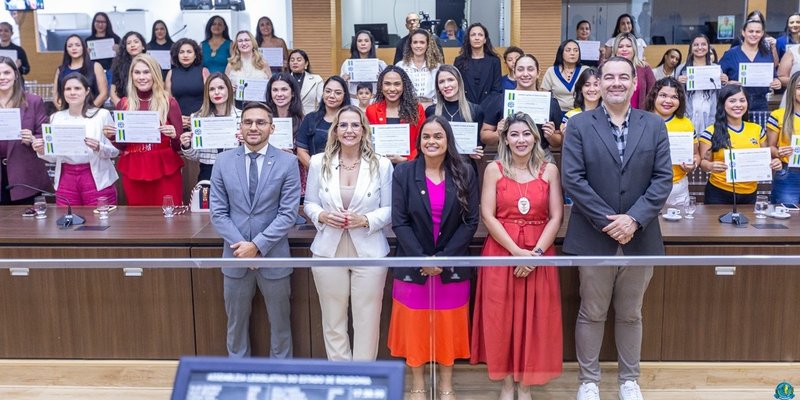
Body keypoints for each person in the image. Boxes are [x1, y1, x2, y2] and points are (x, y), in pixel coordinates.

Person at [561, 56, 672, 400]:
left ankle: (629, 379)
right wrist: (612, 222)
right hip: (594, 234)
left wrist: (634, 219)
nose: (616, 83)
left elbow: (662, 179)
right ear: (598, 82)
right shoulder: (580, 125)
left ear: (635, 83)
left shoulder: (654, 125)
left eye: (623, 77)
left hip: (641, 235)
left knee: (630, 313)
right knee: (591, 311)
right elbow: (573, 180)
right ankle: (588, 381)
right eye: (608, 77)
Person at [471, 112, 564, 400]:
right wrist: (515, 252)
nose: (520, 139)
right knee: (503, 319)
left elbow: (556, 216)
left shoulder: (549, 170)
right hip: (502, 252)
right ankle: (507, 383)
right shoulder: (494, 169)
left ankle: (525, 385)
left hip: (539, 251)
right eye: (514, 134)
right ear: (505, 138)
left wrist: (534, 255)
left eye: (526, 134)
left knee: (534, 320)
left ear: (535, 138)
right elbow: (487, 215)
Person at [389, 116, 479, 400]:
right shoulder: (404, 173)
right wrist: (422, 259)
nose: (431, 141)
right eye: (426, 136)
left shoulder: (464, 170)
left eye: (438, 136)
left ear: (447, 140)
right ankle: (417, 384)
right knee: (415, 327)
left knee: (448, 326)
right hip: (413, 265)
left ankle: (446, 384)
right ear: (419, 141)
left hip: (450, 265)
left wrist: (443, 258)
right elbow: (399, 222)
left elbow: (471, 221)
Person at [209, 101, 301, 359]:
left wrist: (257, 246)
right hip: (236, 257)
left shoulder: (288, 162)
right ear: (240, 127)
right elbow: (218, 212)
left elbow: (288, 213)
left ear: (272, 128)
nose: (254, 127)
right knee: (236, 326)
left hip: (273, 257)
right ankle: (239, 373)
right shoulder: (223, 161)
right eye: (248, 122)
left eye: (260, 122)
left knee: (280, 325)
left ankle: (280, 376)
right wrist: (243, 248)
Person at [303, 105, 393, 361]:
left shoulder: (381, 164)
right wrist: (321, 216)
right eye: (343, 125)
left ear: (364, 130)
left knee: (367, 321)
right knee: (333, 320)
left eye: (355, 125)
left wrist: (365, 219)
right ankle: (342, 379)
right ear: (335, 130)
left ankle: (364, 379)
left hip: (369, 250)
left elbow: (390, 209)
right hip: (327, 250)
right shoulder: (319, 162)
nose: (349, 130)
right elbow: (309, 203)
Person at [103, 54, 184, 206]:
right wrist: (113, 137)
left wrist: (174, 136)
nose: (142, 77)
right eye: (137, 72)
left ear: (155, 74)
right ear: (131, 76)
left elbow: (179, 146)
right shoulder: (124, 104)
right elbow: (123, 146)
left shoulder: (169, 103)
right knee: (138, 221)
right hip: (134, 169)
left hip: (164, 168)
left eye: (146, 72)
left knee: (170, 219)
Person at [33, 73, 118, 206]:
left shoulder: (102, 115)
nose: (72, 92)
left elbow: (114, 152)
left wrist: (99, 147)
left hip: (96, 178)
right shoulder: (56, 118)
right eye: (68, 89)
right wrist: (42, 150)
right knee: (67, 222)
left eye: (77, 88)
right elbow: (55, 157)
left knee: (100, 222)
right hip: (66, 179)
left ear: (87, 91)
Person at [699, 85, 781, 205]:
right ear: (723, 104)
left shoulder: (757, 130)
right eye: (732, 101)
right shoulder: (711, 131)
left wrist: (775, 162)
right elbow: (703, 163)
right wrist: (710, 166)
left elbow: (766, 158)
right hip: (719, 192)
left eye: (742, 100)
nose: (738, 105)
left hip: (750, 193)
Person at [481, 54, 564, 161]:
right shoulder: (500, 100)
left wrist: (551, 136)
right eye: (520, 69)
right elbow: (484, 135)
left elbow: (559, 141)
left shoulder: (550, 102)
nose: (525, 74)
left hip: (541, 157)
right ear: (514, 73)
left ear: (538, 73)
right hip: (507, 157)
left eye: (530, 69)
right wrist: (498, 133)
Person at [0, 56, 50, 205]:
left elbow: (44, 135)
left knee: (26, 225)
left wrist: (33, 139)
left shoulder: (33, 101)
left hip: (24, 172)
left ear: (16, 75)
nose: (2, 77)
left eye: (6, 73)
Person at [645, 77, 699, 207]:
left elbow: (696, 154)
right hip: (647, 187)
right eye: (663, 95)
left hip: (678, 188)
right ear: (654, 96)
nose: (668, 101)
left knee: (681, 227)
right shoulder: (640, 120)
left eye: (674, 97)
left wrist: (693, 164)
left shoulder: (686, 123)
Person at [179, 72, 239, 182]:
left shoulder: (242, 116)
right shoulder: (198, 118)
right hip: (208, 171)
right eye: (211, 89)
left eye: (221, 88)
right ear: (207, 93)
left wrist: (246, 142)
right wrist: (187, 145)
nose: (216, 92)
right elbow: (195, 156)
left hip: (236, 171)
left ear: (229, 90)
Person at [719, 16, 782, 112]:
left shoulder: (767, 54)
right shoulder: (731, 54)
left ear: (762, 34)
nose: (754, 34)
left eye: (757, 32)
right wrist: (727, 83)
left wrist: (776, 82)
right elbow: (717, 78)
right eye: (751, 31)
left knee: (759, 127)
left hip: (760, 103)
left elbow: (773, 76)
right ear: (743, 32)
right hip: (736, 103)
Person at [425, 65, 485, 162]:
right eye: (441, 82)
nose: (446, 85)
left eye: (450, 80)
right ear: (437, 87)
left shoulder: (475, 110)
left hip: (465, 169)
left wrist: (476, 151)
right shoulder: (431, 111)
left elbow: (479, 143)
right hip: (438, 167)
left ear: (459, 82)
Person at [365, 66, 425, 163]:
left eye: (397, 84)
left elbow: (423, 139)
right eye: (387, 84)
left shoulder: (417, 109)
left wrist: (406, 159)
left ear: (404, 86)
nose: (392, 89)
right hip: (379, 165)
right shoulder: (371, 110)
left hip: (409, 165)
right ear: (381, 86)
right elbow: (367, 142)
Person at [296, 76, 351, 169]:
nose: (332, 96)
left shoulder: (351, 120)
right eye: (328, 91)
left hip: (346, 173)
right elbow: (301, 151)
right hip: (317, 173)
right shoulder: (310, 118)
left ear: (344, 95)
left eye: (337, 93)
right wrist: (318, 170)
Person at [677, 34, 728, 133]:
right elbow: (676, 93)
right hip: (688, 112)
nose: (700, 47)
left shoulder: (716, 68)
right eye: (696, 45)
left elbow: (721, 95)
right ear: (691, 48)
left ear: (708, 47)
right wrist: (678, 83)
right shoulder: (682, 68)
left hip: (710, 111)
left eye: (703, 44)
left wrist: (724, 82)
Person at [768, 71, 800, 205]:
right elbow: (770, 147)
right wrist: (779, 152)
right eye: (799, 87)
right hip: (788, 173)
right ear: (792, 89)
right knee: (787, 217)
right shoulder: (778, 115)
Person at [53, 34, 108, 108]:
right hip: (67, 113)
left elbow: (104, 94)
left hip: (92, 112)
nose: (74, 48)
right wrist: (62, 110)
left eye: (77, 45)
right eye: (70, 46)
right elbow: (56, 94)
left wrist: (89, 110)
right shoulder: (60, 70)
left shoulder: (96, 66)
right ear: (66, 50)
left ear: (84, 47)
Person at [454, 23, 502, 104]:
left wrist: (484, 108)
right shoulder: (459, 61)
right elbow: (457, 88)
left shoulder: (494, 61)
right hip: (466, 108)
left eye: (480, 35)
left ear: (485, 40)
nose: (477, 38)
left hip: (489, 108)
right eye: (473, 35)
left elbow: (496, 89)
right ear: (468, 39)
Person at [166, 38, 209, 128]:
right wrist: (178, 118)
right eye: (181, 52)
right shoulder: (171, 73)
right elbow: (168, 102)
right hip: (178, 121)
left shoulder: (204, 71)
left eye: (189, 52)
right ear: (177, 55)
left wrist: (197, 117)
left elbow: (209, 99)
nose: (185, 55)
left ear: (196, 55)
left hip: (202, 119)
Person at [396, 29, 443, 109]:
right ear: (410, 45)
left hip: (432, 108)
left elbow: (440, 92)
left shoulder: (437, 67)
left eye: (422, 42)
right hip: (408, 109)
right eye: (415, 42)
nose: (418, 45)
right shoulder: (401, 66)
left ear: (428, 45)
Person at [226, 30, 271, 109]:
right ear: (236, 44)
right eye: (240, 41)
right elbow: (225, 86)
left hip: (261, 106)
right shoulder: (231, 64)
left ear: (252, 43)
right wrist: (229, 88)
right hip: (237, 106)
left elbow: (272, 85)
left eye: (246, 40)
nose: (243, 43)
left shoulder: (263, 63)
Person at [340, 30, 386, 102]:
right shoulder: (347, 64)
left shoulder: (381, 64)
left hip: (374, 101)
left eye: (366, 41)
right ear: (355, 44)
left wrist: (382, 80)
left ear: (371, 44)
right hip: (353, 101)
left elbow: (386, 88)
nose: (363, 43)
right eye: (360, 41)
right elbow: (342, 88)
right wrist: (343, 81)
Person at [613, 32, 655, 109]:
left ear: (634, 49)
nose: (624, 49)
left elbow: (654, 93)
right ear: (615, 50)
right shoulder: (608, 68)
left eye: (628, 46)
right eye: (620, 46)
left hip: (639, 117)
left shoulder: (644, 68)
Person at [541, 39, 584, 112]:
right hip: (557, 113)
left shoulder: (585, 70)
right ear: (561, 53)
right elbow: (544, 97)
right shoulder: (551, 71)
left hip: (580, 113)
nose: (572, 53)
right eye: (568, 50)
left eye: (576, 50)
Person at [109, 31, 146, 106]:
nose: (132, 45)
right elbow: (112, 93)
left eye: (136, 42)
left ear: (143, 46)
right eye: (128, 43)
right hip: (125, 107)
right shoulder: (118, 66)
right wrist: (122, 106)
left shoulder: (153, 64)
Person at [288, 49, 323, 115]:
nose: (295, 62)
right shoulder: (284, 80)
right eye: (292, 60)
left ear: (306, 63)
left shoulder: (317, 80)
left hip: (310, 118)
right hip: (290, 117)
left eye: (299, 60)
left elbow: (321, 102)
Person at [85, 12, 121, 78]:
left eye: (103, 22)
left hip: (112, 72)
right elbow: (85, 61)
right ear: (93, 23)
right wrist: (86, 54)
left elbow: (122, 57)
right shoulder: (88, 40)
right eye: (98, 21)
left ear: (107, 24)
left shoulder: (115, 38)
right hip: (94, 73)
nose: (100, 24)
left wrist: (119, 51)